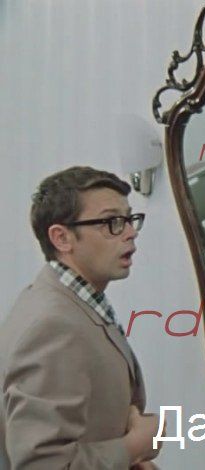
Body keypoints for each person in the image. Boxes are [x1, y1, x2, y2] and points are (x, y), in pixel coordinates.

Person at [0, 167, 161, 469]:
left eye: (129, 219)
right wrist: (134, 447)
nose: (130, 232)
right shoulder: (51, 326)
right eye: (112, 222)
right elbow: (40, 465)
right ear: (61, 238)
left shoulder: (71, 301)